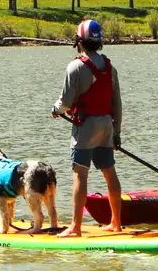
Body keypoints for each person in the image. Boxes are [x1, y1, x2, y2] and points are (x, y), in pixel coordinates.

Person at [50, 19, 124, 236]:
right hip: (106, 127)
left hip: (86, 128)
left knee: (80, 175)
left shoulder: (75, 67)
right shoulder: (110, 68)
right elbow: (117, 104)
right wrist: (116, 132)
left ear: (79, 42)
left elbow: (64, 103)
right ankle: (116, 223)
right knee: (109, 172)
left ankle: (75, 227)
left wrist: (55, 110)